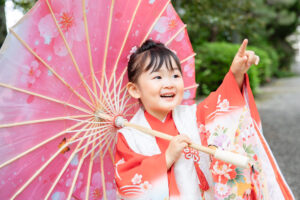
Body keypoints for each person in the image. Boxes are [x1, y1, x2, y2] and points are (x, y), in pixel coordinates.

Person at [114, 39, 294, 200]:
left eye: (175, 75)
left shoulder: (193, 115)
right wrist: (166, 158)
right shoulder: (130, 135)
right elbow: (128, 182)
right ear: (134, 90)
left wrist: (236, 74)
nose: (169, 83)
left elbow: (222, 105)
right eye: (158, 77)